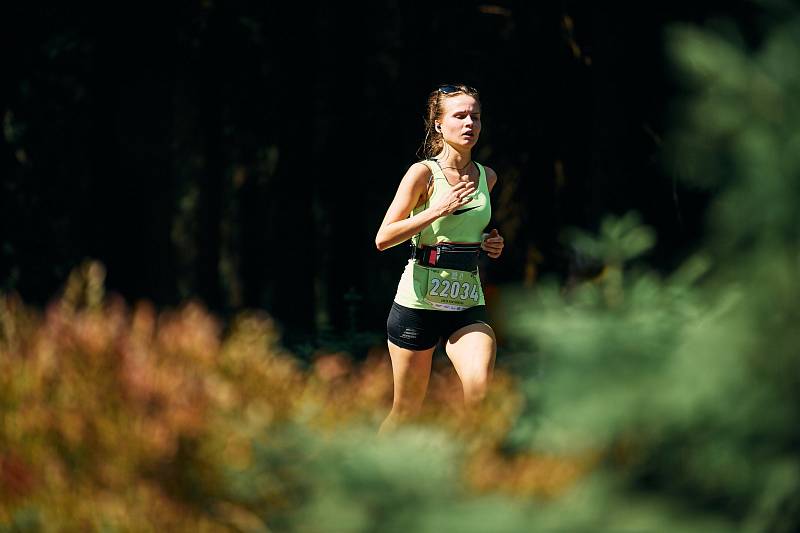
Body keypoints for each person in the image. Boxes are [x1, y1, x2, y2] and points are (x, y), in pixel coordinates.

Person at [374, 84, 505, 434]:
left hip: (466, 303)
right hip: (418, 304)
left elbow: (464, 230)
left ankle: (466, 478)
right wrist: (436, 210)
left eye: (475, 116)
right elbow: (383, 238)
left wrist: (488, 242)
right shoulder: (422, 174)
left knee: (479, 395)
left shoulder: (486, 177)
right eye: (459, 116)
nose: (469, 124)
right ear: (438, 125)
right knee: (406, 412)